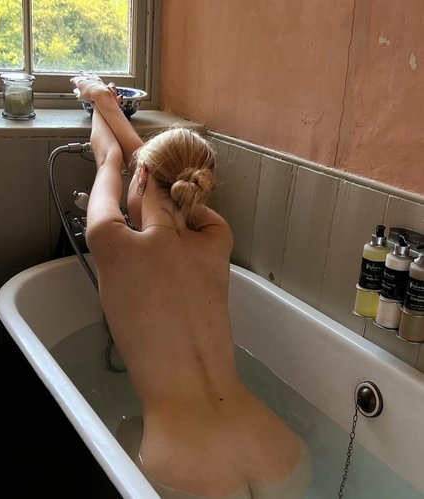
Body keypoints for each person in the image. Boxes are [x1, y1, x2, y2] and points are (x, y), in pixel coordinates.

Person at [71, 73, 312, 499]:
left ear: (141, 177)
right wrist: (111, 108)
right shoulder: (218, 237)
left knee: (125, 431)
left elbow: (109, 157)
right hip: (281, 455)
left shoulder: (108, 238)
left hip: (187, 471)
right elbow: (146, 167)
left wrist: (96, 102)